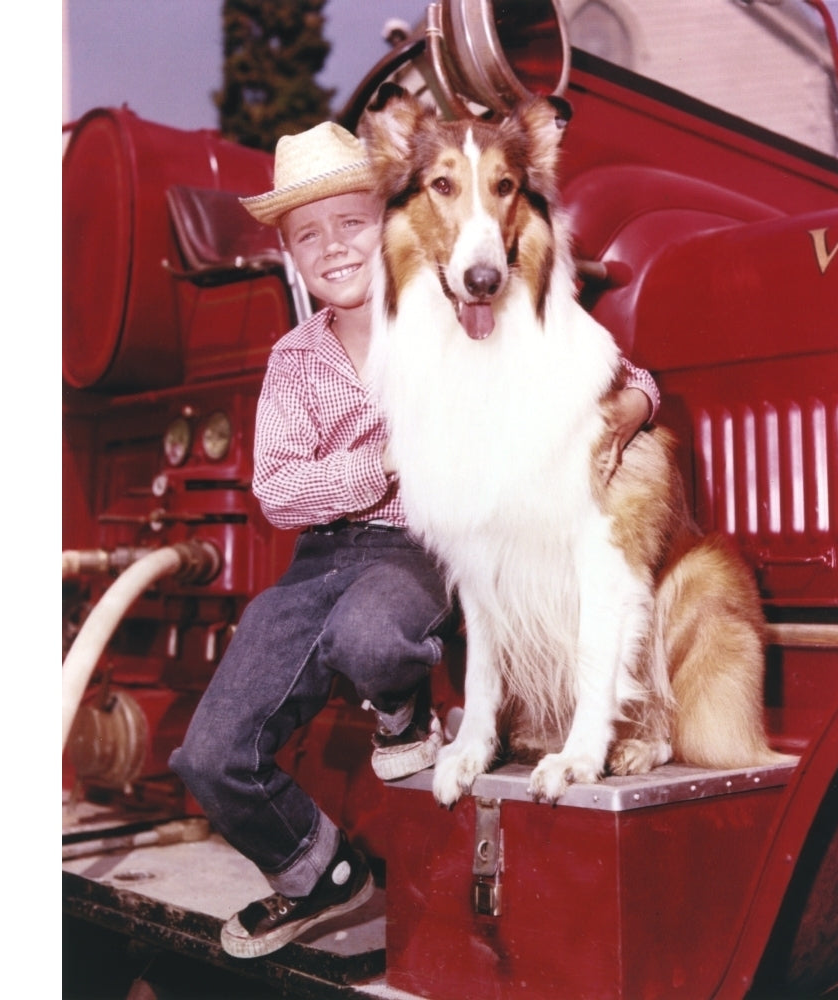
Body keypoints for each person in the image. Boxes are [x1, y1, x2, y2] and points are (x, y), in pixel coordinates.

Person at [169, 121, 661, 961]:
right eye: (306, 235)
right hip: (320, 555)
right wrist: (376, 463)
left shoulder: (452, 310)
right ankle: (318, 876)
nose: (332, 248)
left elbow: (571, 362)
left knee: (373, 628)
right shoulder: (296, 360)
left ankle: (405, 722)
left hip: (416, 550)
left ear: (388, 217)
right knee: (206, 753)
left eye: (349, 223)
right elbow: (278, 490)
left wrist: (639, 399)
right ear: (287, 252)